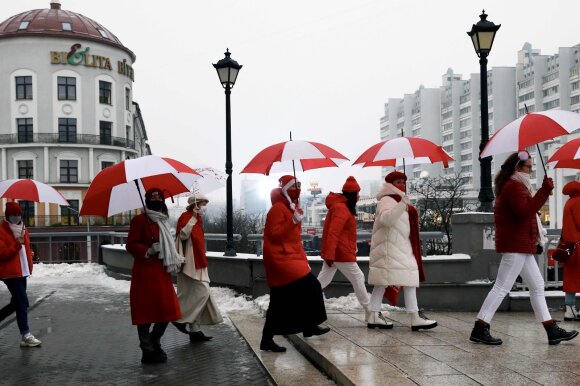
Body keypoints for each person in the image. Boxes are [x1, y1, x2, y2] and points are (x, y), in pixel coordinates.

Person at [470, 151, 578, 345]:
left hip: (521, 244)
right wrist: (544, 191)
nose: (531, 169)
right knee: (502, 286)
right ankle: (480, 327)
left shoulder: (516, 185)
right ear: (518, 168)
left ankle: (551, 329)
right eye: (528, 166)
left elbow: (525, 214)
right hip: (515, 245)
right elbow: (524, 212)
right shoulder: (514, 186)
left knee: (536, 286)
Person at [260, 175, 329, 353]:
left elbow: (292, 236)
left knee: (279, 301)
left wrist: (295, 218)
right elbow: (276, 235)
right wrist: (293, 221)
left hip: (290, 257)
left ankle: (267, 339)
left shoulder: (289, 207)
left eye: (299, 185)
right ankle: (309, 326)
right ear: (285, 189)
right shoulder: (277, 209)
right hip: (282, 259)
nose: (298, 188)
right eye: (294, 186)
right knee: (311, 286)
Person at [367, 171, 437, 331]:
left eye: (404, 181)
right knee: (403, 279)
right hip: (389, 249)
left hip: (397, 248)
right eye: (398, 182)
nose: (402, 185)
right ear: (390, 185)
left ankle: (374, 315)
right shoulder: (387, 200)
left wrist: (403, 204)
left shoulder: (397, 200)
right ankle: (414, 317)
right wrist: (402, 205)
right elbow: (386, 220)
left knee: (386, 282)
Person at [126, 188, 184, 364]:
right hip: (144, 272)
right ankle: (147, 349)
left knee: (167, 311)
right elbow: (131, 244)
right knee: (145, 313)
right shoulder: (139, 220)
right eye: (153, 197)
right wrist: (148, 250)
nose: (157, 199)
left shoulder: (163, 220)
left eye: (159, 196)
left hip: (161, 270)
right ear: (147, 199)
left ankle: (154, 341)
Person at [173, 194, 223, 341]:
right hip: (189, 262)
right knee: (201, 292)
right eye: (202, 204)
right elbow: (182, 235)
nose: (204, 207)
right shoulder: (186, 216)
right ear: (194, 205)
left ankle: (194, 330)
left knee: (196, 295)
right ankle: (177, 318)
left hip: (198, 261)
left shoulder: (198, 219)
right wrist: (193, 219)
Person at [317, 176, 370, 317]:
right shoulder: (342, 209)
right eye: (357, 194)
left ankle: (299, 302)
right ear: (352, 195)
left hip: (335, 252)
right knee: (358, 277)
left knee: (323, 281)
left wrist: (329, 254)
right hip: (339, 253)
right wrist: (330, 255)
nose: (359, 197)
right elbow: (334, 233)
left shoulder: (340, 207)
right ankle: (370, 311)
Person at [0, 202, 41, 347]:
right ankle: (26, 334)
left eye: (18, 214)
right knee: (22, 303)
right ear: (7, 216)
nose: (16, 217)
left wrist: (28, 255)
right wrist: (17, 245)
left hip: (22, 271)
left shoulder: (24, 229)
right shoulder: (2, 231)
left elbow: (25, 247)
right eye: (13, 215)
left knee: (16, 303)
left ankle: (25, 335)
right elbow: (2, 254)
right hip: (10, 273)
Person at [562, 171, 580, 321]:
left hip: (571, 245)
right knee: (575, 278)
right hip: (578, 246)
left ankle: (570, 308)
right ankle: (571, 309)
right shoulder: (579, 201)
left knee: (572, 278)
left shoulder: (571, 200)